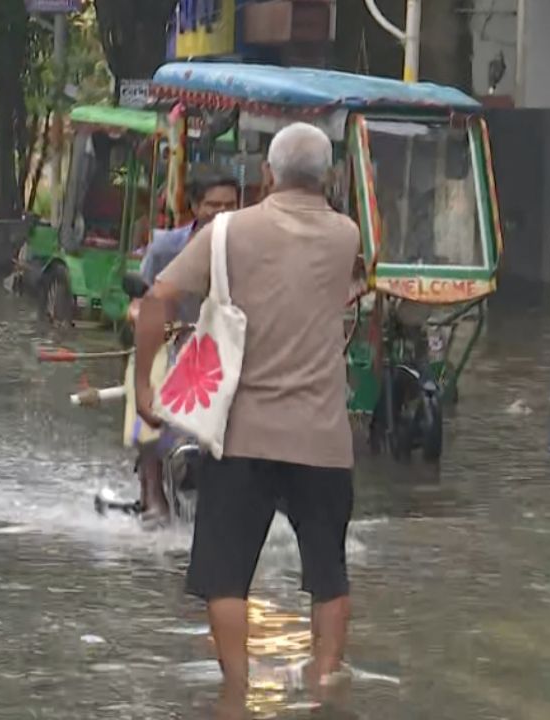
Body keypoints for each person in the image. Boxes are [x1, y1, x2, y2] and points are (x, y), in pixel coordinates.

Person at [134, 123, 359, 692]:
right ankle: (324, 682)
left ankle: (236, 690)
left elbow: (157, 300)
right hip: (324, 438)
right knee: (328, 574)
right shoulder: (348, 236)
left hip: (242, 437)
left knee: (225, 575)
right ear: (328, 176)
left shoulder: (226, 231)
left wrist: (144, 388)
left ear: (267, 174)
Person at [131, 169, 240, 524]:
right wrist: (147, 321)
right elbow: (144, 301)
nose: (221, 213)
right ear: (195, 207)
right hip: (174, 343)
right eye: (212, 205)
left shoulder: (248, 247)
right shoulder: (166, 247)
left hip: (227, 346)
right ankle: (152, 489)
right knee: (146, 376)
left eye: (230, 206)